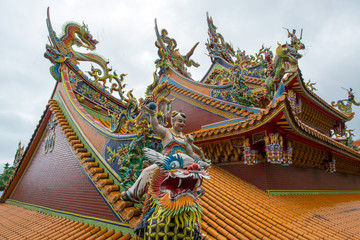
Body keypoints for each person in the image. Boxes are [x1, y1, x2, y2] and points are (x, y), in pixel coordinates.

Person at [121, 104, 201, 203]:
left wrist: (200, 160)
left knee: (195, 175)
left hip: (181, 165)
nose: (182, 124)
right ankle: (134, 194)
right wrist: (152, 114)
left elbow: (191, 154)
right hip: (166, 163)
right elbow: (155, 126)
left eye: (184, 122)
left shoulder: (184, 138)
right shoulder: (167, 132)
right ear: (173, 121)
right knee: (147, 171)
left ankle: (196, 192)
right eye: (180, 121)